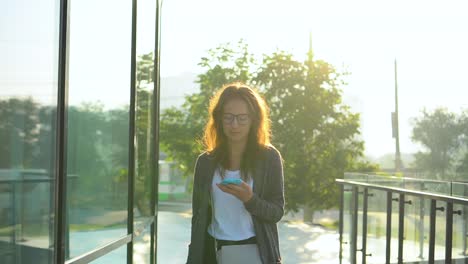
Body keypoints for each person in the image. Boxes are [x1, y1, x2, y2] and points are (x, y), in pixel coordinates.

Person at [186, 82, 285, 264]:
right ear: (219, 119)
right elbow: (198, 218)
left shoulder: (269, 158)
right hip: (213, 252)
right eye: (228, 117)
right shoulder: (205, 163)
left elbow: (277, 212)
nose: (234, 124)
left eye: (242, 118)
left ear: (254, 120)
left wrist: (250, 200)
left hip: (256, 253)